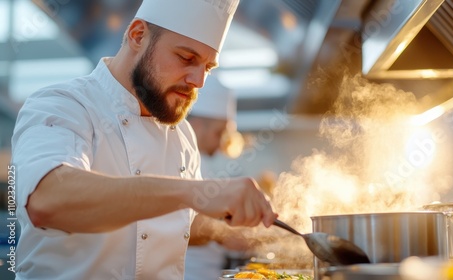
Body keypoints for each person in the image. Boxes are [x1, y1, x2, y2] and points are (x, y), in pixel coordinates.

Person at [10, 0, 277, 279]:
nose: (199, 81)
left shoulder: (183, 137)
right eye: (187, 58)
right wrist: (193, 192)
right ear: (138, 35)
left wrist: (245, 220)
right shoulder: (63, 105)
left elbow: (179, 225)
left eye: (208, 68)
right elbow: (48, 201)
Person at [184, 75, 248, 279]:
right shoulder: (176, 161)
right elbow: (182, 225)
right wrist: (225, 235)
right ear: (197, 126)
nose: (221, 142)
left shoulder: (205, 162)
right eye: (218, 133)